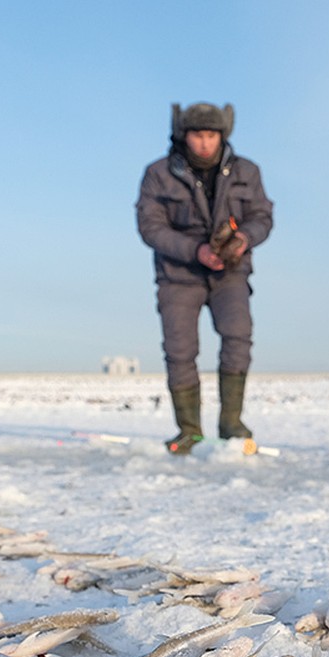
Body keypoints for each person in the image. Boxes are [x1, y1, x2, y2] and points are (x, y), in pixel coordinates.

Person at [136, 102, 274, 454]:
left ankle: (232, 423)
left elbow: (262, 215)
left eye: (211, 135)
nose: (204, 143)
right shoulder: (158, 174)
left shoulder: (247, 171)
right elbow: (150, 227)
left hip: (230, 273)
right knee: (180, 351)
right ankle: (189, 431)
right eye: (197, 135)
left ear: (222, 135)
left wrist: (242, 240)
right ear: (184, 135)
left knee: (238, 336)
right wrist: (194, 250)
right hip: (178, 275)